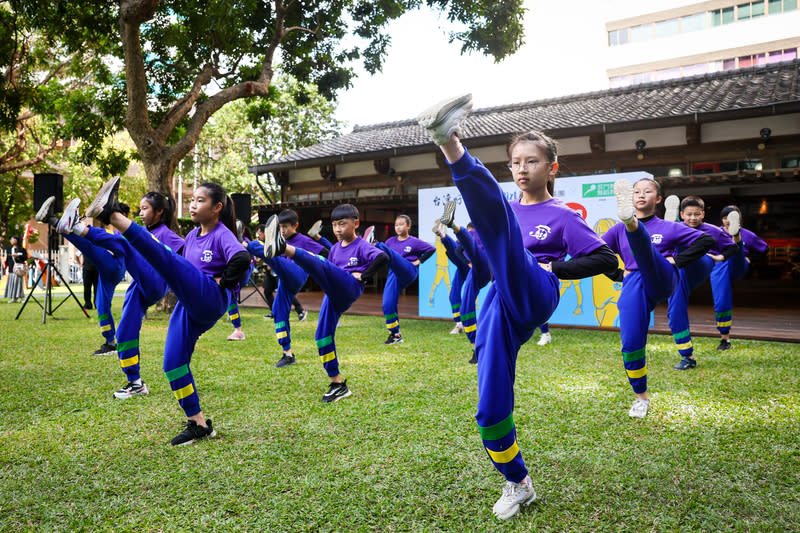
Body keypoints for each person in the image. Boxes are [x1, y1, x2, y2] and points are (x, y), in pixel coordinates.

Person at [416, 94, 618, 520]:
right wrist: (458, 238)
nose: (522, 168)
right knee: (489, 411)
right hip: (499, 303)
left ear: (552, 168)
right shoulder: (504, 212)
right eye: (516, 162)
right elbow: (483, 262)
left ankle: (449, 142)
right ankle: (518, 481)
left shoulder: (562, 215)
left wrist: (553, 265)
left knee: (503, 233)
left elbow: (603, 259)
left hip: (537, 291)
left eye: (532, 161)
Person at [86, 177, 251, 445]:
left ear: (217, 207)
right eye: (192, 200)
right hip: (189, 303)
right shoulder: (191, 236)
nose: (193, 204)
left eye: (200, 200)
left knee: (165, 258)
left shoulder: (222, 233)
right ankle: (198, 424)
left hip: (210, 298)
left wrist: (223, 282)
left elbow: (242, 259)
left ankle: (112, 214)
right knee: (173, 363)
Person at [41, 192, 186, 398]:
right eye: (140, 209)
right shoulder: (141, 231)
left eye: (145, 209)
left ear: (159, 211)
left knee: (125, 243)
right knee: (125, 331)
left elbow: (186, 259)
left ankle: (81, 225)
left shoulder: (168, 235)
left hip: (156, 282)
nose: (141, 213)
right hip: (138, 285)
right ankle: (135, 383)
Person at [602, 180, 714, 417]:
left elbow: (706, 241)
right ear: (631, 198)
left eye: (648, 191)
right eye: (636, 192)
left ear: (658, 199)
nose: (641, 195)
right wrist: (618, 274)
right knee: (630, 341)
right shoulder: (616, 231)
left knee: (650, 258)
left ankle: (634, 225)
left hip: (664, 275)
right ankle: (641, 398)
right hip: (635, 282)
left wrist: (677, 261)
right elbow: (598, 253)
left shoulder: (667, 228)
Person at [261, 203, 388, 402]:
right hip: (333, 292)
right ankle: (337, 384)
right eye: (335, 225)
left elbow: (382, 257)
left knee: (318, 262)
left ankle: (282, 247)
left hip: (349, 288)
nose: (338, 229)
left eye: (342, 224)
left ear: (356, 224)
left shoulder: (361, 245)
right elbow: (329, 268)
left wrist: (363, 275)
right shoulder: (336, 248)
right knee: (321, 337)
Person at [246, 209, 329, 368]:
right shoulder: (281, 240)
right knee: (278, 311)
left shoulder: (303, 240)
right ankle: (287, 353)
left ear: (295, 225)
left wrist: (316, 262)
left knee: (275, 257)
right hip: (284, 278)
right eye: (280, 228)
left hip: (297, 274)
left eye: (285, 227)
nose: (283, 230)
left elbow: (326, 252)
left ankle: (248, 244)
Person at [666, 196, 739, 370]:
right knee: (674, 310)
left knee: (685, 241)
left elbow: (732, 247)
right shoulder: (684, 225)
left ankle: (670, 223)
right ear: (683, 214)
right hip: (679, 270)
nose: (693, 218)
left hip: (701, 262)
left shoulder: (713, 230)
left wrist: (720, 257)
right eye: (689, 214)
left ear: (703, 214)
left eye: (697, 215)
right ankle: (687, 356)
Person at [54, 201, 130, 355]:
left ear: (123, 216)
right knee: (101, 304)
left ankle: (60, 224)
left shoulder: (127, 232)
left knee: (88, 245)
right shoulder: (112, 232)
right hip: (106, 270)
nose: (110, 219)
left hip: (114, 267)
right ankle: (110, 342)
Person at [712, 206, 769, 350]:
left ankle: (736, 238)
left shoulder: (749, 235)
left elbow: (764, 250)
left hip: (739, 264)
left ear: (739, 218)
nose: (727, 221)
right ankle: (725, 339)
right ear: (722, 219)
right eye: (725, 218)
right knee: (721, 300)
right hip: (720, 267)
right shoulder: (715, 232)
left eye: (732, 218)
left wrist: (750, 259)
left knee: (735, 250)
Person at [435, 216, 490, 364]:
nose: (472, 233)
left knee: (465, 250)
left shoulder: (485, 236)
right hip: (468, 267)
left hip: (480, 267)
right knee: (457, 299)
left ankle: (446, 231)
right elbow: (457, 251)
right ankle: (473, 344)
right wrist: (467, 262)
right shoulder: (468, 241)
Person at [375, 214, 435, 345]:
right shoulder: (390, 241)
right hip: (394, 274)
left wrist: (418, 261)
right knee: (387, 304)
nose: (398, 227)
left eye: (401, 224)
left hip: (408, 270)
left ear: (408, 226)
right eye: (396, 225)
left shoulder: (414, 241)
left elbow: (431, 249)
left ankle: (375, 244)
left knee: (394, 257)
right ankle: (395, 334)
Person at [432, 220, 470, 334]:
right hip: (462, 266)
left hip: (476, 268)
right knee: (453, 295)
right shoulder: (461, 241)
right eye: (468, 232)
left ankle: (443, 235)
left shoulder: (480, 241)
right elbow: (453, 252)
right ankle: (459, 325)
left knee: (469, 297)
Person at [4, 235, 27, 303]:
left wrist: (18, 256)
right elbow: (8, 260)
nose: (11, 241)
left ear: (17, 240)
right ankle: (14, 298)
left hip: (18, 269)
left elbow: (25, 258)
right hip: (11, 269)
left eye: (13, 239)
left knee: (19, 283)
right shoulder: (8, 250)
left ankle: (22, 297)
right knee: (12, 284)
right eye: (11, 239)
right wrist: (6, 267)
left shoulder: (22, 249)